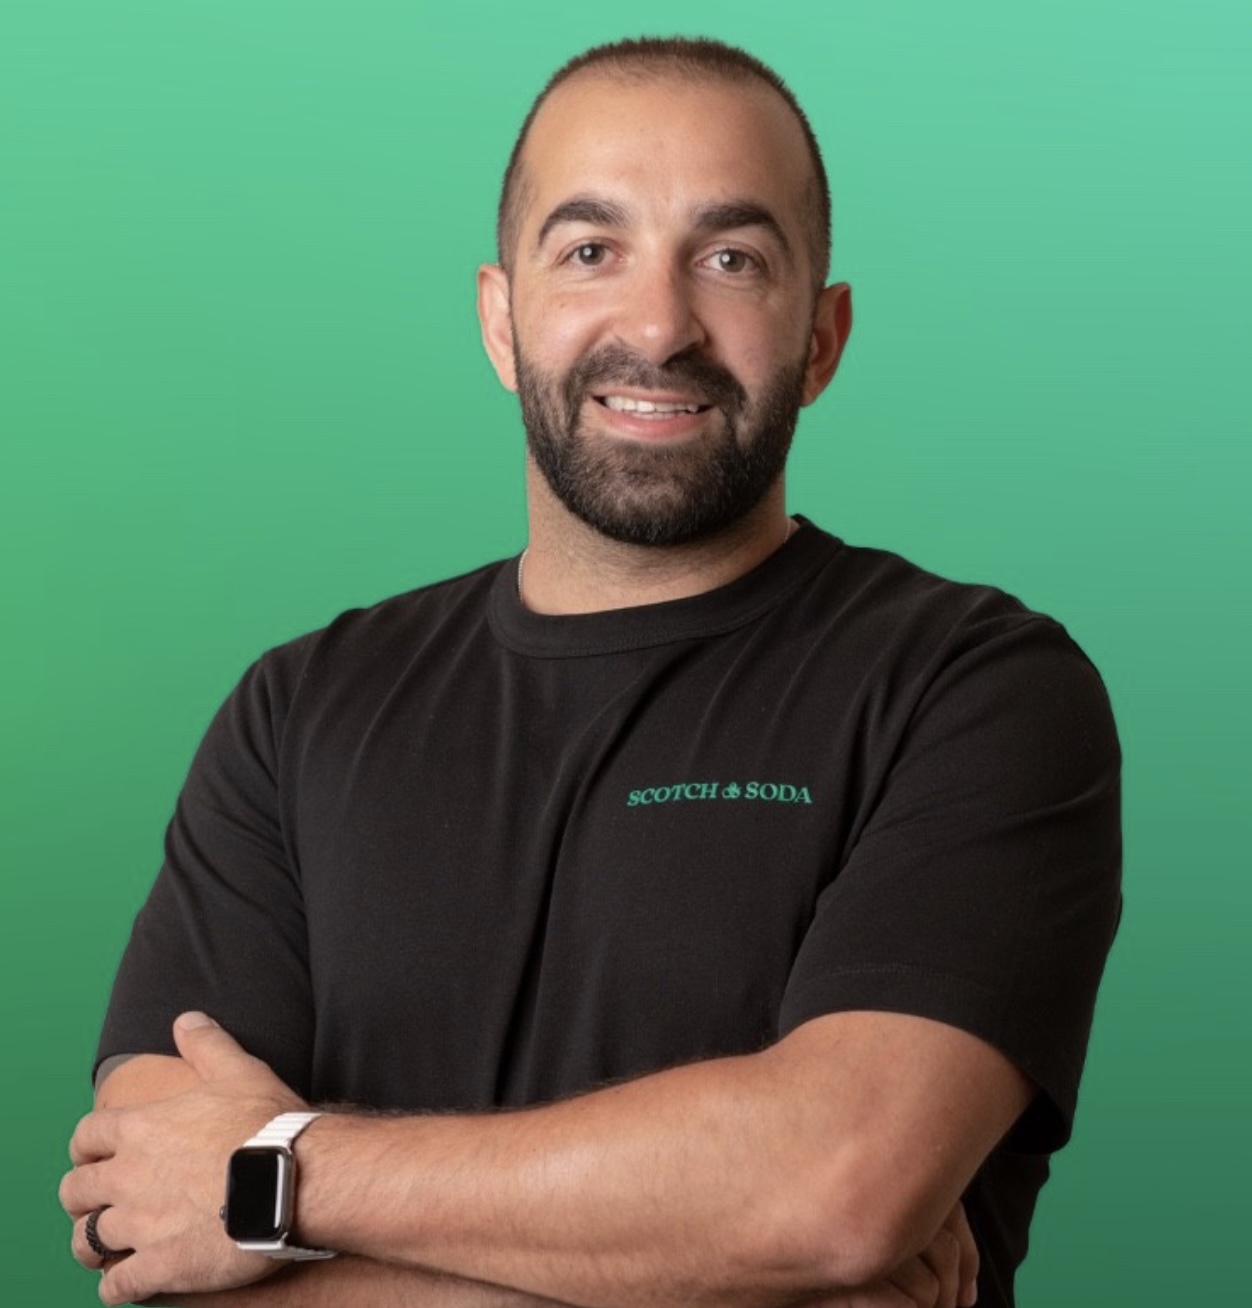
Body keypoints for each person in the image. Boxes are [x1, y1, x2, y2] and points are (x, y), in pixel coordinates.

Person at [60, 36, 1121, 1308]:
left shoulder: (976, 689)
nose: (660, 325)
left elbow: (834, 1189)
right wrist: (736, 1268)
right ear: (500, 320)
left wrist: (278, 1181)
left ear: (822, 338)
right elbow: (156, 1230)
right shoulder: (297, 714)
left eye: (732, 260)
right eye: (589, 251)